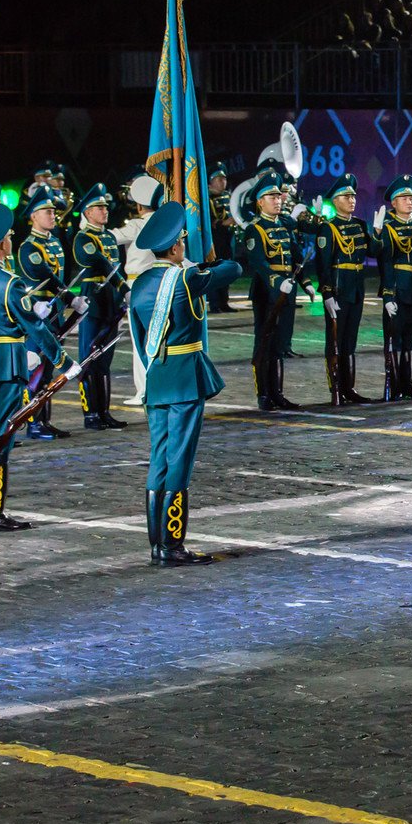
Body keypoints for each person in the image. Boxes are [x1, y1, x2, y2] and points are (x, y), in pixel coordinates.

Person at [129, 201, 242, 566]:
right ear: (177, 247)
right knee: (180, 461)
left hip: (157, 375)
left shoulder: (141, 283)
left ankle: (156, 544)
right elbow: (234, 268)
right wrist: (202, 264)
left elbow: (139, 334)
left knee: (159, 458)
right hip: (185, 379)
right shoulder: (186, 278)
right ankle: (173, 545)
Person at [0, 201, 74, 532]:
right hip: (8, 365)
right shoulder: (11, 284)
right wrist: (64, 362)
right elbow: (36, 329)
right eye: (9, 237)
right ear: (2, 244)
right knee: (1, 439)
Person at [314, 172, 380, 404]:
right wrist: (327, 293)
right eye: (346, 196)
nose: (352, 200)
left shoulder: (361, 225)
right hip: (339, 287)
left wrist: (378, 233)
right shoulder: (328, 229)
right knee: (335, 339)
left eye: (353, 196)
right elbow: (322, 265)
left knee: (350, 340)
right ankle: (336, 388)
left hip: (356, 287)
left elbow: (373, 252)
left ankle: (348, 387)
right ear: (335, 200)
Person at [242, 169, 304, 410]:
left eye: (279, 196)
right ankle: (264, 395)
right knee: (265, 342)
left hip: (287, 290)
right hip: (266, 292)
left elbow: (296, 255)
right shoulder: (254, 229)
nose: (278, 200)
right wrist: (278, 281)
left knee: (280, 344)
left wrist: (304, 282)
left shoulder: (285, 226)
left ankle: (278, 392)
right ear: (260, 202)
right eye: (272, 197)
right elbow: (258, 262)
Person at [373, 174, 412, 400]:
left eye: (411, 197)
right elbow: (386, 262)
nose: (409, 201)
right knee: (394, 339)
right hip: (398, 288)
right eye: (403, 198)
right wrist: (388, 294)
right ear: (394, 203)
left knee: (410, 338)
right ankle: (391, 387)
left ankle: (408, 385)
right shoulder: (389, 227)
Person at [16, 185, 72, 440]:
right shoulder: (29, 248)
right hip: (39, 313)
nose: (52, 215)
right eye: (47, 212)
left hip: (54, 312)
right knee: (35, 371)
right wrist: (71, 297)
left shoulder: (54, 243)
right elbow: (47, 278)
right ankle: (31, 421)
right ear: (33, 217)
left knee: (48, 370)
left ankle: (43, 420)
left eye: (53, 211)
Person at [72, 184, 122, 430]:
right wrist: (123, 286)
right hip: (93, 299)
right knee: (89, 358)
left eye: (105, 206)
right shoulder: (83, 239)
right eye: (98, 207)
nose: (105, 211)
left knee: (105, 360)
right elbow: (100, 264)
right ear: (87, 213)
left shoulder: (109, 236)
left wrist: (120, 293)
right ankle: (90, 413)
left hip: (110, 299)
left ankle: (104, 411)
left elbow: (115, 265)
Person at [110, 174, 164, 406]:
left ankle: (143, 390)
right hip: (161, 283)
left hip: (138, 285)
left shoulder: (136, 225)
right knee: (160, 338)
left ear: (139, 204)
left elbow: (108, 238)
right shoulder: (164, 222)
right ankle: (161, 386)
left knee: (139, 339)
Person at [206, 162, 235, 313]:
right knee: (215, 270)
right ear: (211, 181)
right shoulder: (206, 197)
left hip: (228, 238)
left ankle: (224, 302)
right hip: (215, 239)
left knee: (226, 269)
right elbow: (207, 219)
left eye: (224, 179)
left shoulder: (229, 197)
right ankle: (215, 303)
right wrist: (223, 223)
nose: (223, 182)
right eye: (218, 179)